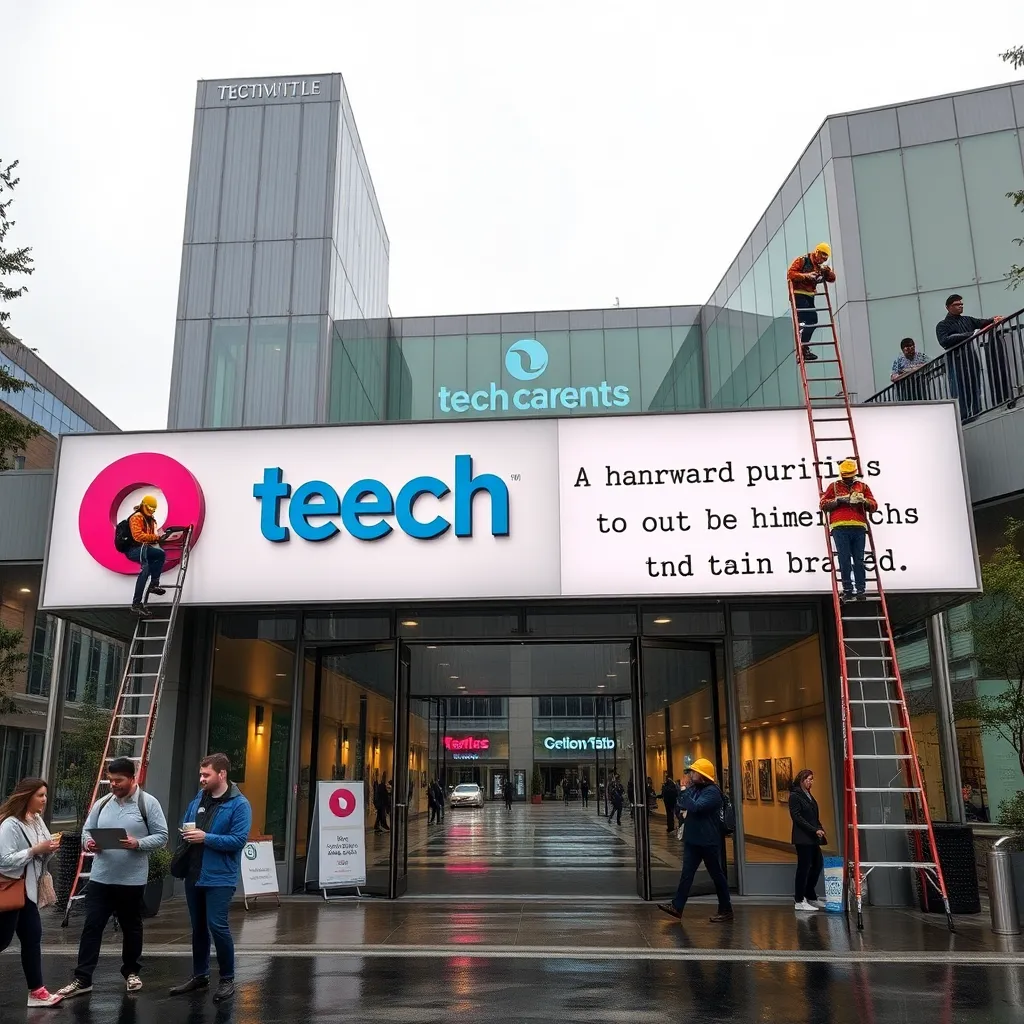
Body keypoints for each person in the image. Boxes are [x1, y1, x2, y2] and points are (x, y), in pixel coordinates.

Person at [56, 757, 169, 999]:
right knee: (92, 926)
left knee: (131, 927)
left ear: (133, 778)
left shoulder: (148, 804)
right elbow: (87, 831)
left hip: (131, 880)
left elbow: (162, 836)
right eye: (110, 780)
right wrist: (89, 843)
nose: (113, 785)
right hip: (100, 878)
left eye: (119, 780)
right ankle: (83, 977)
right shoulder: (102, 803)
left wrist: (138, 843)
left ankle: (131, 971)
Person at [170, 753, 252, 1005]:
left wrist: (206, 837)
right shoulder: (199, 798)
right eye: (201, 774)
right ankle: (200, 975)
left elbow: (238, 840)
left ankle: (227, 978)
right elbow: (187, 824)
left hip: (220, 877)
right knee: (198, 927)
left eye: (206, 774)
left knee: (217, 925)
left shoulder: (239, 804)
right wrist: (187, 834)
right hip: (194, 873)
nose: (202, 779)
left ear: (222, 774)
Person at [0, 777, 63, 1007]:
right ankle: (37, 991)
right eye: (40, 795)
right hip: (11, 890)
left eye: (45, 795)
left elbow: (42, 850)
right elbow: (3, 860)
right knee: (2, 940)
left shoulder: (36, 820)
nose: (44, 800)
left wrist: (49, 848)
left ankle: (37, 991)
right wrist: (35, 850)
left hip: (28, 892)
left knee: (32, 939)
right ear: (27, 796)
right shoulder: (11, 824)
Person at [657, 759, 733, 924]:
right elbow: (681, 803)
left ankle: (726, 909)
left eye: (694, 772)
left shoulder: (712, 792)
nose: (690, 775)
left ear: (703, 775)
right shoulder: (695, 789)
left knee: (717, 875)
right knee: (687, 874)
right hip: (693, 840)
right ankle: (677, 907)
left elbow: (695, 807)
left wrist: (684, 790)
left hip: (708, 841)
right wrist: (683, 796)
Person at [935, 294, 1004, 422]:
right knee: (960, 388)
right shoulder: (942, 325)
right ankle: (964, 417)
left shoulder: (967, 320)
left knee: (975, 384)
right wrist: (970, 334)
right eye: (957, 304)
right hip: (955, 360)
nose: (960, 306)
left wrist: (994, 319)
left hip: (971, 356)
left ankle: (976, 412)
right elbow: (944, 340)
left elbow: (982, 322)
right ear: (948, 307)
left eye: (961, 304)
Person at [819, 459, 878, 602]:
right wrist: (838, 501)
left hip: (858, 526)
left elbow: (874, 505)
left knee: (859, 559)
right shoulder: (834, 486)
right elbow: (823, 504)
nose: (848, 479)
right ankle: (848, 590)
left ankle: (860, 590)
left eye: (850, 476)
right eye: (846, 476)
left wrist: (864, 501)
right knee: (844, 559)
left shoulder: (862, 487)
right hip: (839, 527)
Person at [787, 242, 836, 362]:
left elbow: (832, 279)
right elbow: (790, 274)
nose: (822, 260)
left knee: (813, 321)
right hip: (798, 293)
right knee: (806, 319)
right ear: (817, 252)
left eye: (825, 258)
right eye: (822, 256)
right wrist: (806, 276)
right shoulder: (803, 260)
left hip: (809, 295)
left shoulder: (820, 267)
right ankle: (802, 346)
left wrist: (826, 272)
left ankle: (804, 347)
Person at [788, 769, 826, 912]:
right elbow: (797, 817)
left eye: (812, 779)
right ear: (802, 780)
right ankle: (799, 899)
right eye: (809, 779)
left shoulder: (808, 795)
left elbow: (814, 816)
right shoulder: (795, 796)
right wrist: (813, 829)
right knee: (803, 868)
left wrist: (819, 827)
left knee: (817, 865)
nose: (811, 782)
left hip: (813, 837)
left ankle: (810, 895)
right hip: (803, 837)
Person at [126, 495, 169, 618]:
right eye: (150, 508)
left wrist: (161, 537)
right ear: (143, 505)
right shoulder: (137, 517)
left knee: (160, 554)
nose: (151, 511)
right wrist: (156, 537)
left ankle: (154, 584)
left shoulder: (151, 520)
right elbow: (138, 536)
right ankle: (136, 605)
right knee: (145, 569)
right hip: (135, 549)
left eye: (153, 509)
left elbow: (150, 536)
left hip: (145, 548)